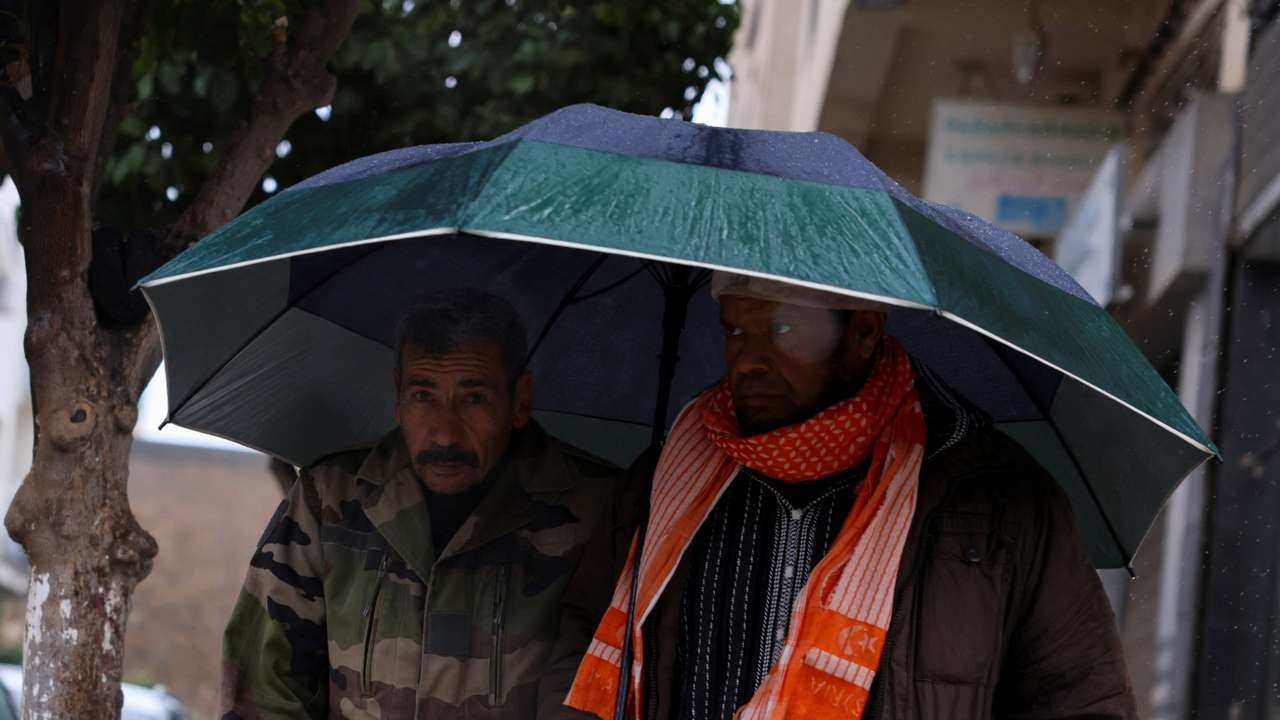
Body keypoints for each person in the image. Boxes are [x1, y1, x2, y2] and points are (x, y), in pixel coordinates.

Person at [547, 272, 1136, 720]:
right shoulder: (668, 478)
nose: (748, 360)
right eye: (734, 329)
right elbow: (580, 649)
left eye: (781, 329)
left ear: (863, 333)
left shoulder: (994, 497)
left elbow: (1080, 698)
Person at [221, 289, 620, 719]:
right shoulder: (331, 497)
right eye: (423, 395)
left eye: (474, 398)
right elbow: (265, 685)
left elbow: (612, 685)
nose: (445, 434)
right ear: (398, 393)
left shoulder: (598, 509)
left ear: (519, 399)